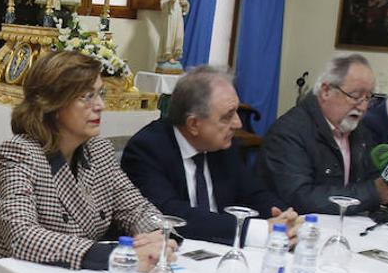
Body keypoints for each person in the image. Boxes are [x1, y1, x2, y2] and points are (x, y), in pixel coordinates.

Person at [0, 51, 173, 273]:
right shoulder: (19, 153)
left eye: (100, 94)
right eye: (86, 96)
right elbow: (23, 238)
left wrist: (159, 235)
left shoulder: (100, 150)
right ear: (53, 104)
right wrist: (118, 256)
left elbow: (135, 207)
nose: (100, 105)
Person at [121, 66, 298, 246]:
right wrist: (253, 231)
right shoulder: (147, 149)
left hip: (218, 249)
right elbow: (171, 215)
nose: (238, 123)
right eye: (227, 116)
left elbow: (254, 193)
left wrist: (284, 216)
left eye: (236, 112)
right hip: (174, 251)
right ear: (193, 124)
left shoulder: (222, 145)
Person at [261, 54, 388, 214]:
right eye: (355, 96)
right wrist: (373, 193)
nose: (363, 107)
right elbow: (301, 198)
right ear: (326, 91)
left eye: (368, 98)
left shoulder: (359, 132)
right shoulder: (288, 132)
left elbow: (373, 176)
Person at [157, 0, 190, 71]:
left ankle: (176, 55)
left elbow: (186, 8)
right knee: (169, 35)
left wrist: (185, 4)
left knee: (179, 36)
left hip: (178, 18)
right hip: (170, 18)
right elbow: (163, 5)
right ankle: (168, 56)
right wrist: (170, 2)